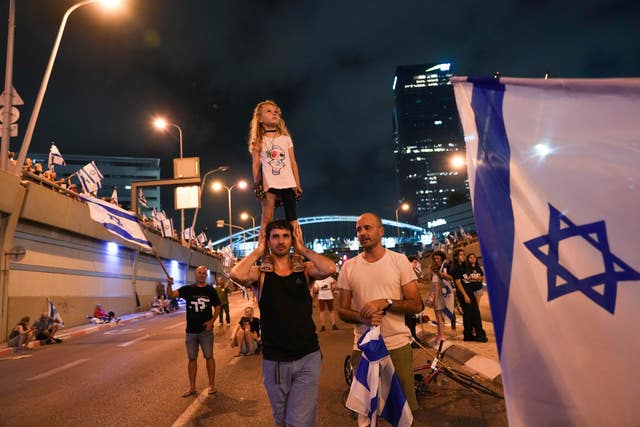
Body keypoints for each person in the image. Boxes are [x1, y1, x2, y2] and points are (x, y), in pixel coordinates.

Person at [231, 219, 336, 427]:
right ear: (268, 240)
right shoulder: (261, 274)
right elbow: (236, 274)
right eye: (275, 237)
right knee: (282, 420)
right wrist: (259, 250)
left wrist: (302, 248)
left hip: (307, 356)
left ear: (292, 239)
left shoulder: (304, 270)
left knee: (299, 422)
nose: (281, 241)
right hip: (275, 361)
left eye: (286, 236)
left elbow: (330, 268)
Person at [337, 213, 422, 413]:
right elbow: (341, 310)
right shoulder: (349, 267)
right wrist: (361, 316)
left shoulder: (399, 261)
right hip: (364, 347)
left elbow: (417, 305)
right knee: (367, 412)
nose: (363, 233)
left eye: (368, 228)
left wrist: (387, 303)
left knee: (402, 412)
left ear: (381, 231)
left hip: (397, 345)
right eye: (359, 229)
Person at [247, 100, 304, 272]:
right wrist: (257, 183)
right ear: (260, 117)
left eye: (276, 112)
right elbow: (256, 164)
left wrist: (297, 183)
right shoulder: (259, 140)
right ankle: (265, 256)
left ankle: (297, 255)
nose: (274, 114)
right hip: (268, 183)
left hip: (288, 183)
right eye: (269, 111)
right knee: (266, 220)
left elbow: (293, 162)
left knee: (292, 220)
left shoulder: (285, 139)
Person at [167, 266, 221, 397]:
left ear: (206, 276)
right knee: (192, 359)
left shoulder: (210, 290)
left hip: (205, 331)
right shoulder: (188, 289)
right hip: (191, 332)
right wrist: (168, 284)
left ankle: (212, 385)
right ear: (195, 275)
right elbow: (170, 295)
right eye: (199, 273)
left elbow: (218, 307)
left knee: (209, 356)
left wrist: (212, 322)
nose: (201, 275)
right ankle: (192, 387)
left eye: (204, 273)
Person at [451, 249, 487, 342]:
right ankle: (474, 335)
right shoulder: (456, 268)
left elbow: (466, 280)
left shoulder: (463, 266)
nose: (463, 256)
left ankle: (471, 334)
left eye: (463, 254)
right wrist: (465, 295)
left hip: (469, 291)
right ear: (456, 257)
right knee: (470, 314)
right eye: (461, 255)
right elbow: (458, 283)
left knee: (472, 314)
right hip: (464, 294)